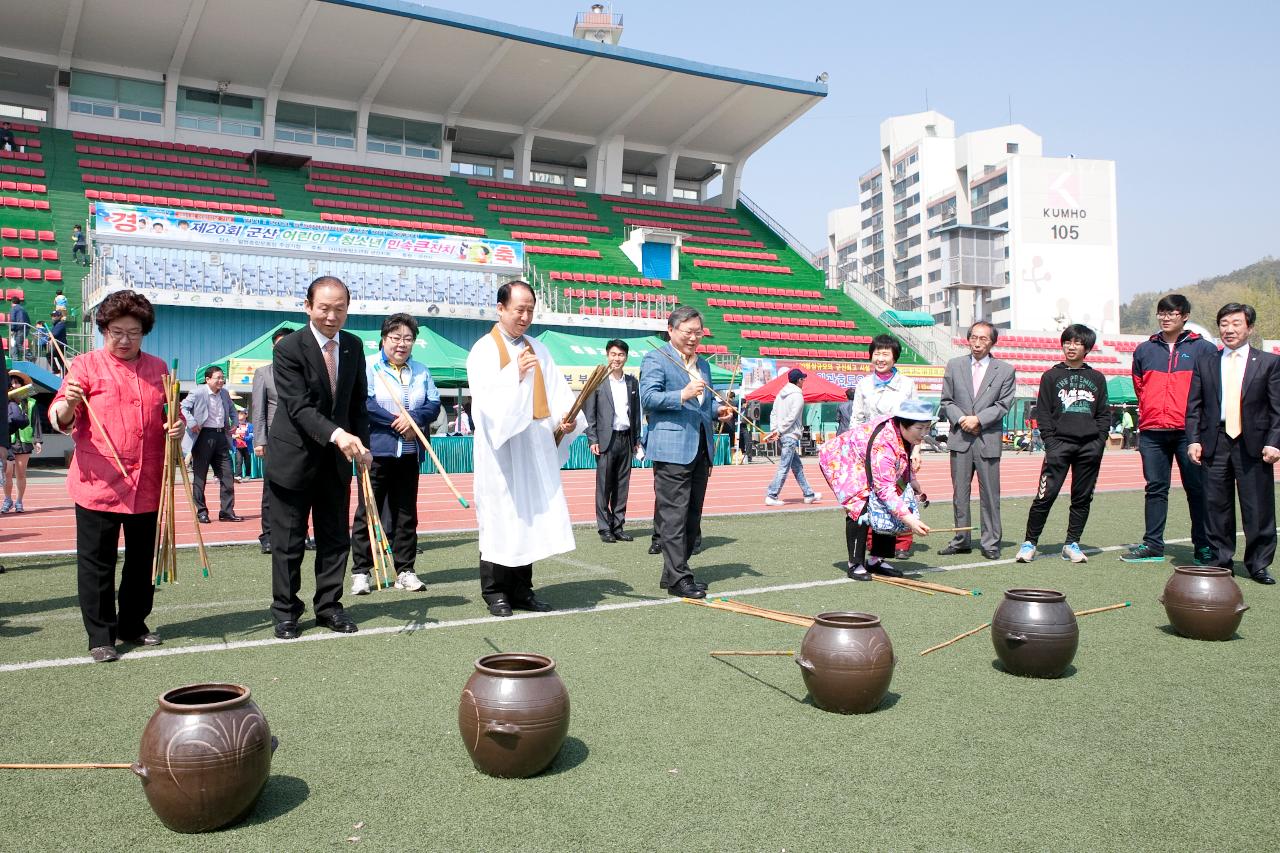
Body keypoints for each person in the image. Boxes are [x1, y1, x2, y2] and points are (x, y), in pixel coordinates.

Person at [47, 290, 185, 662]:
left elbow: (172, 414)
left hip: (148, 481)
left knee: (142, 560)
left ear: (145, 332)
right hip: (99, 482)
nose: (125, 340)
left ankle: (133, 624)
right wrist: (71, 402)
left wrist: (177, 427)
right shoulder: (85, 366)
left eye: (134, 333)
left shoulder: (158, 369)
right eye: (117, 332)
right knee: (97, 562)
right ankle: (101, 635)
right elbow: (59, 416)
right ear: (103, 330)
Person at [466, 281, 584, 616]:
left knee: (527, 515)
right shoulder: (484, 350)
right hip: (500, 450)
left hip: (533, 444)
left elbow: (557, 391)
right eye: (519, 309)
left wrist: (566, 419)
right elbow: (485, 403)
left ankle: (522, 589)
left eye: (530, 309)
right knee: (499, 516)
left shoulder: (538, 348)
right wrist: (513, 376)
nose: (525, 316)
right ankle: (495, 591)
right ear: (500, 309)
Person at [267, 277, 372, 639]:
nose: (331, 316)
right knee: (289, 541)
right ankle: (286, 611)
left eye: (339, 308)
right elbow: (298, 407)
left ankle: (329, 607)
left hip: (337, 461)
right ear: (308, 306)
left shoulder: (354, 346)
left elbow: (358, 402)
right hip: (293, 458)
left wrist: (363, 446)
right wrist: (338, 434)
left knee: (334, 539)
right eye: (324, 308)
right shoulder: (289, 348)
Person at [640, 306, 736, 599]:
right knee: (673, 516)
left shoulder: (703, 365)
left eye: (698, 332)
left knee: (692, 517)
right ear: (671, 330)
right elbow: (648, 398)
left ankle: (672, 574)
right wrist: (681, 394)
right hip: (671, 449)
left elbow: (702, 405)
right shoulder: (656, 358)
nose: (694, 338)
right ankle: (680, 578)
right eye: (688, 332)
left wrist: (718, 410)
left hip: (701, 448)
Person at [1185, 303, 1280, 585]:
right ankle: (1219, 561)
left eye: (1236, 323)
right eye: (1224, 323)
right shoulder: (1206, 362)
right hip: (1215, 440)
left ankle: (1258, 563)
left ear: (1249, 327)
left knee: (1258, 507)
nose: (1229, 329)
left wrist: (1275, 442)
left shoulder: (1269, 363)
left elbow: (1278, 408)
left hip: (1254, 444)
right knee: (1215, 506)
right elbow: (1195, 406)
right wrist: (1193, 440)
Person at [349, 313, 440, 595]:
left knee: (406, 513)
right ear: (384, 339)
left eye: (408, 339)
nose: (402, 344)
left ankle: (405, 570)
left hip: (410, 452)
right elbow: (364, 403)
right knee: (368, 512)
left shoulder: (422, 370)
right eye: (396, 338)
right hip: (376, 451)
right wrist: (395, 421)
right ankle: (361, 571)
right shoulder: (368, 366)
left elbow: (433, 405)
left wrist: (413, 418)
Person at [1123, 295, 1218, 564]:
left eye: (1172, 313)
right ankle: (1153, 545)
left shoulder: (1204, 349)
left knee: (1197, 489)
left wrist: (1199, 427)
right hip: (1153, 431)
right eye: (1161, 313)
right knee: (1155, 488)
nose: (1165, 317)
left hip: (1190, 432)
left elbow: (1210, 391)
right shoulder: (1144, 350)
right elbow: (1140, 387)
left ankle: (1203, 546)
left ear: (1185, 316)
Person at [1014, 325, 1111, 564]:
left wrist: (1098, 441)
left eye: (1077, 342)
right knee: (1045, 496)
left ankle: (1072, 543)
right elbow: (1043, 412)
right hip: (1059, 446)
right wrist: (1050, 442)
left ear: (1087, 347)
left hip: (1089, 447)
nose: (1071, 346)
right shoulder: (1051, 376)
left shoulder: (1097, 378)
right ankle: (1030, 543)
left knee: (1082, 497)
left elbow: (1104, 413)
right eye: (1067, 341)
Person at [818, 399, 933, 581]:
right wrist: (910, 520)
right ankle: (855, 563)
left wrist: (912, 480)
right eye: (920, 429)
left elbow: (903, 458)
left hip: (868, 460)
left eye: (927, 428)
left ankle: (876, 560)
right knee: (860, 508)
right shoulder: (884, 444)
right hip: (844, 461)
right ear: (903, 423)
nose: (924, 434)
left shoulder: (906, 433)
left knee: (892, 500)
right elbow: (884, 490)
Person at [938, 321, 1016, 559]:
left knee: (990, 495)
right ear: (968, 339)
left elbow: (1003, 405)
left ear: (992, 342)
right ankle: (961, 539)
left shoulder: (1005, 370)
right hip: (960, 438)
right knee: (959, 493)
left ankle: (991, 541)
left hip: (987, 439)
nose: (977, 342)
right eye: (974, 337)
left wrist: (978, 420)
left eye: (983, 339)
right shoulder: (954, 365)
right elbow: (946, 401)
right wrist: (962, 419)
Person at [850, 334, 923, 560]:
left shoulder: (907, 384)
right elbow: (857, 419)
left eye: (885, 354)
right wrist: (856, 449)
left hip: (901, 447)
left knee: (901, 491)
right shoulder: (863, 384)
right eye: (876, 353)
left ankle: (902, 541)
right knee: (874, 495)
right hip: (871, 449)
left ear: (895, 357)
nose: (880, 358)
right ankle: (876, 545)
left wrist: (917, 450)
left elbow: (916, 419)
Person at [251, 326, 316, 555]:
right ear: (273, 347)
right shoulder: (264, 373)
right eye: (280, 344)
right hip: (274, 440)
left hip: (302, 439)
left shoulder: (305, 372)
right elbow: (258, 410)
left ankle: (302, 532)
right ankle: (268, 535)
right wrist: (260, 441)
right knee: (272, 490)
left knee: (302, 487)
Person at [584, 339, 641, 543]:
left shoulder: (632, 382)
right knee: (604, 486)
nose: (617, 358)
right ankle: (604, 527)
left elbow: (635, 414)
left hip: (626, 439)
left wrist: (637, 439)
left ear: (626, 357)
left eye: (621, 355)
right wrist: (592, 439)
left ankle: (618, 525)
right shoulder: (598, 381)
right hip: (605, 440)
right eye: (613, 354)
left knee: (622, 485)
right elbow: (589, 414)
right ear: (607, 355)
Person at [181, 366, 241, 523]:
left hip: (222, 436)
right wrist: (192, 421)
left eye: (223, 378)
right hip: (203, 436)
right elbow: (183, 407)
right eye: (218, 378)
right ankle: (201, 511)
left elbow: (233, 410)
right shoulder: (198, 392)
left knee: (227, 476)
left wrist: (235, 422)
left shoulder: (225, 393)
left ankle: (226, 512)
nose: (221, 380)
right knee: (200, 476)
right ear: (208, 379)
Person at [764, 368, 822, 506]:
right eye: (803, 379)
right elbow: (792, 417)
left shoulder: (780, 394)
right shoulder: (798, 396)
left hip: (781, 435)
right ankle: (772, 495)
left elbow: (773, 413)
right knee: (784, 467)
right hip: (789, 435)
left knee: (797, 466)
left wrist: (775, 430)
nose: (804, 381)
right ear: (799, 380)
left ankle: (808, 493)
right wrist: (779, 431)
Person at [3, 371, 42, 513]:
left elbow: (36, 422)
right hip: (8, 441)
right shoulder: (4, 402)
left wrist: (37, 441)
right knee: (6, 473)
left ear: (22, 385)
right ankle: (7, 499)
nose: (14, 385)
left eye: (17, 382)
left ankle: (19, 500)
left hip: (25, 442)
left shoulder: (31, 403)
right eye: (11, 383)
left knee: (21, 473)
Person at [231, 409, 252, 482]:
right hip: (237, 447)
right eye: (238, 414)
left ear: (246, 415)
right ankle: (238, 475)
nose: (239, 415)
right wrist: (235, 436)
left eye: (241, 413)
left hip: (247, 447)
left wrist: (244, 438)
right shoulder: (234, 425)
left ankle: (248, 475)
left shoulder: (249, 425)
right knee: (238, 461)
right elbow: (230, 434)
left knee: (247, 462)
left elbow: (252, 435)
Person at [9, 295, 29, 362]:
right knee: (14, 343)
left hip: (19, 328)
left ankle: (30, 356)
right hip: (25, 328)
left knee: (17, 344)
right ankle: (15, 358)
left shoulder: (14, 308)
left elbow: (13, 319)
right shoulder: (23, 309)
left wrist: (12, 329)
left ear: (12, 302)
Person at [50, 311, 68, 376]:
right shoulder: (56, 324)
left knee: (49, 355)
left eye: (55, 316)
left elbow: (55, 334)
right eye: (52, 316)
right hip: (58, 345)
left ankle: (56, 370)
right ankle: (66, 374)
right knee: (61, 361)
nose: (53, 317)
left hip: (61, 345)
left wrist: (49, 336)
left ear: (59, 316)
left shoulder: (61, 324)